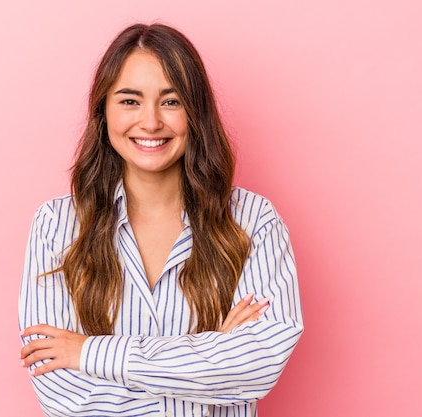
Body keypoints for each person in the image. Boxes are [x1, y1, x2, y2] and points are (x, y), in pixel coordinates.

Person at [18, 23, 303, 417]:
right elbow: (66, 398)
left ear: (196, 112)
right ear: (103, 111)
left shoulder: (254, 222)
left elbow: (257, 367)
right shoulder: (56, 226)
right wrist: (210, 356)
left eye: (171, 102)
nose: (150, 122)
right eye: (130, 101)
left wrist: (89, 352)